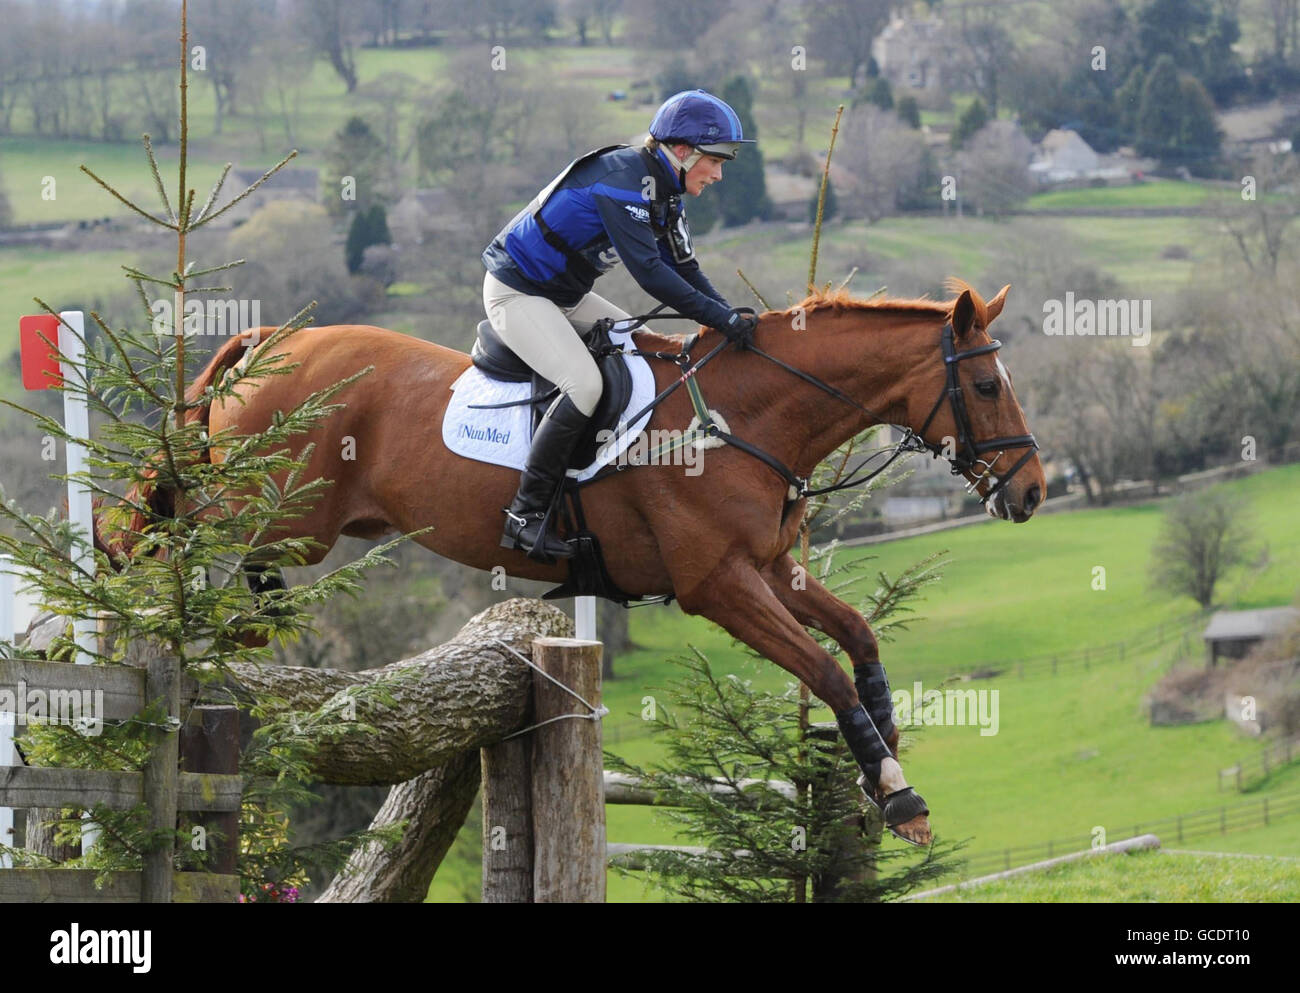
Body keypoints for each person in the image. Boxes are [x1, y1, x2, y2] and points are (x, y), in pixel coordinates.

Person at [482, 88, 761, 561]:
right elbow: (653, 274)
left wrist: (728, 315)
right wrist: (722, 320)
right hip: (518, 293)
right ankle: (525, 514)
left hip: (566, 297)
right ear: (681, 151)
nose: (718, 174)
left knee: (646, 349)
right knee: (585, 386)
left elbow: (686, 269)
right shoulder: (624, 183)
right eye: (715, 160)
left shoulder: (666, 190)